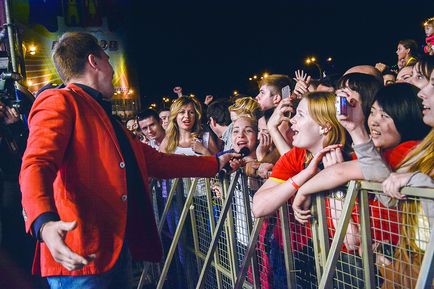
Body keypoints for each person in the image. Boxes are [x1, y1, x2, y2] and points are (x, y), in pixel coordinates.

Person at [19, 32, 235, 289]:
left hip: (114, 252)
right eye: (108, 60)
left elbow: (158, 162)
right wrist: (44, 223)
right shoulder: (60, 101)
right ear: (94, 61)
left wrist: (215, 163)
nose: (112, 70)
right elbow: (36, 164)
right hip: (80, 258)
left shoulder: (108, 118)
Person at [252, 91, 350, 288]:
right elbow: (259, 207)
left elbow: (353, 239)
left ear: (324, 126)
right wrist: (303, 178)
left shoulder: (349, 158)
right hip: (297, 256)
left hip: (341, 265)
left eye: (301, 115)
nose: (292, 121)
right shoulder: (296, 156)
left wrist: (335, 184)